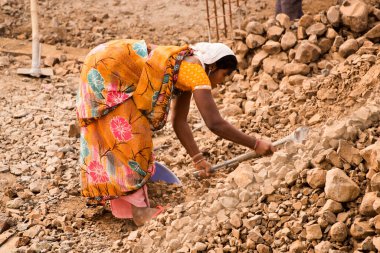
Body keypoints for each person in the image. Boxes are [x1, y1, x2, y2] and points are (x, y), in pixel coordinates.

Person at [76, 40, 275, 226]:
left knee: (116, 132)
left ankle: (122, 199)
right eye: (224, 75)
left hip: (103, 62)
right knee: (132, 136)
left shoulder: (185, 68)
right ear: (213, 67)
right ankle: (139, 211)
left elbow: (179, 121)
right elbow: (214, 123)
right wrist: (255, 144)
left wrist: (198, 159)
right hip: (107, 67)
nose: (221, 83)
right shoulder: (195, 72)